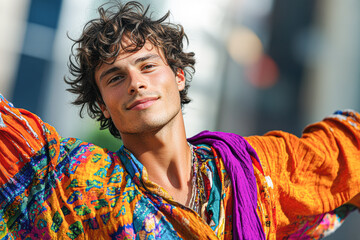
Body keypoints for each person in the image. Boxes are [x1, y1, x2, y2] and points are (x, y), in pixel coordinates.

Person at [1, 1, 360, 239]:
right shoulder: (77, 184)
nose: (135, 83)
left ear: (179, 76)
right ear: (103, 107)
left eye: (148, 66)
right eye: (115, 78)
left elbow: (345, 150)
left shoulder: (253, 170)